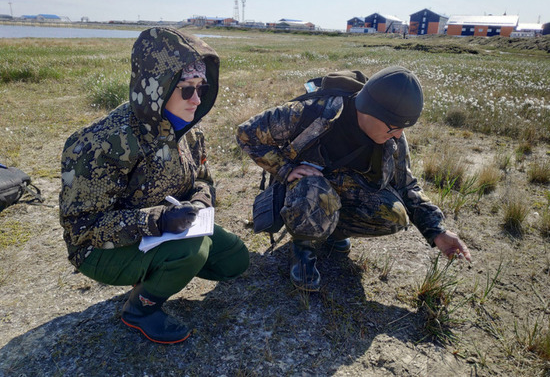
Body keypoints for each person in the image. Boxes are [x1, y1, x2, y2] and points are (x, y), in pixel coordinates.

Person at [60, 27, 249, 344]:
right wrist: (157, 221)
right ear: (157, 88)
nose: (197, 100)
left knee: (235, 257)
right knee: (192, 250)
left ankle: (164, 267)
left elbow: (202, 177)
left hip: (168, 226)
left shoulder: (187, 130)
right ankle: (140, 309)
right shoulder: (100, 142)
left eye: (201, 89)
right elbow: (83, 228)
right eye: (186, 90)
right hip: (96, 250)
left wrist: (201, 204)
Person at [236, 66, 471, 291]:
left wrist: (437, 231)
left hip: (347, 191)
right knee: (311, 187)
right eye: (394, 128)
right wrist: (285, 169)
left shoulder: (393, 139)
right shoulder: (314, 111)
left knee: (394, 216)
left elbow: (406, 186)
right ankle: (303, 247)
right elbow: (247, 133)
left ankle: (334, 234)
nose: (399, 135)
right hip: (306, 190)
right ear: (369, 110)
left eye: (402, 128)